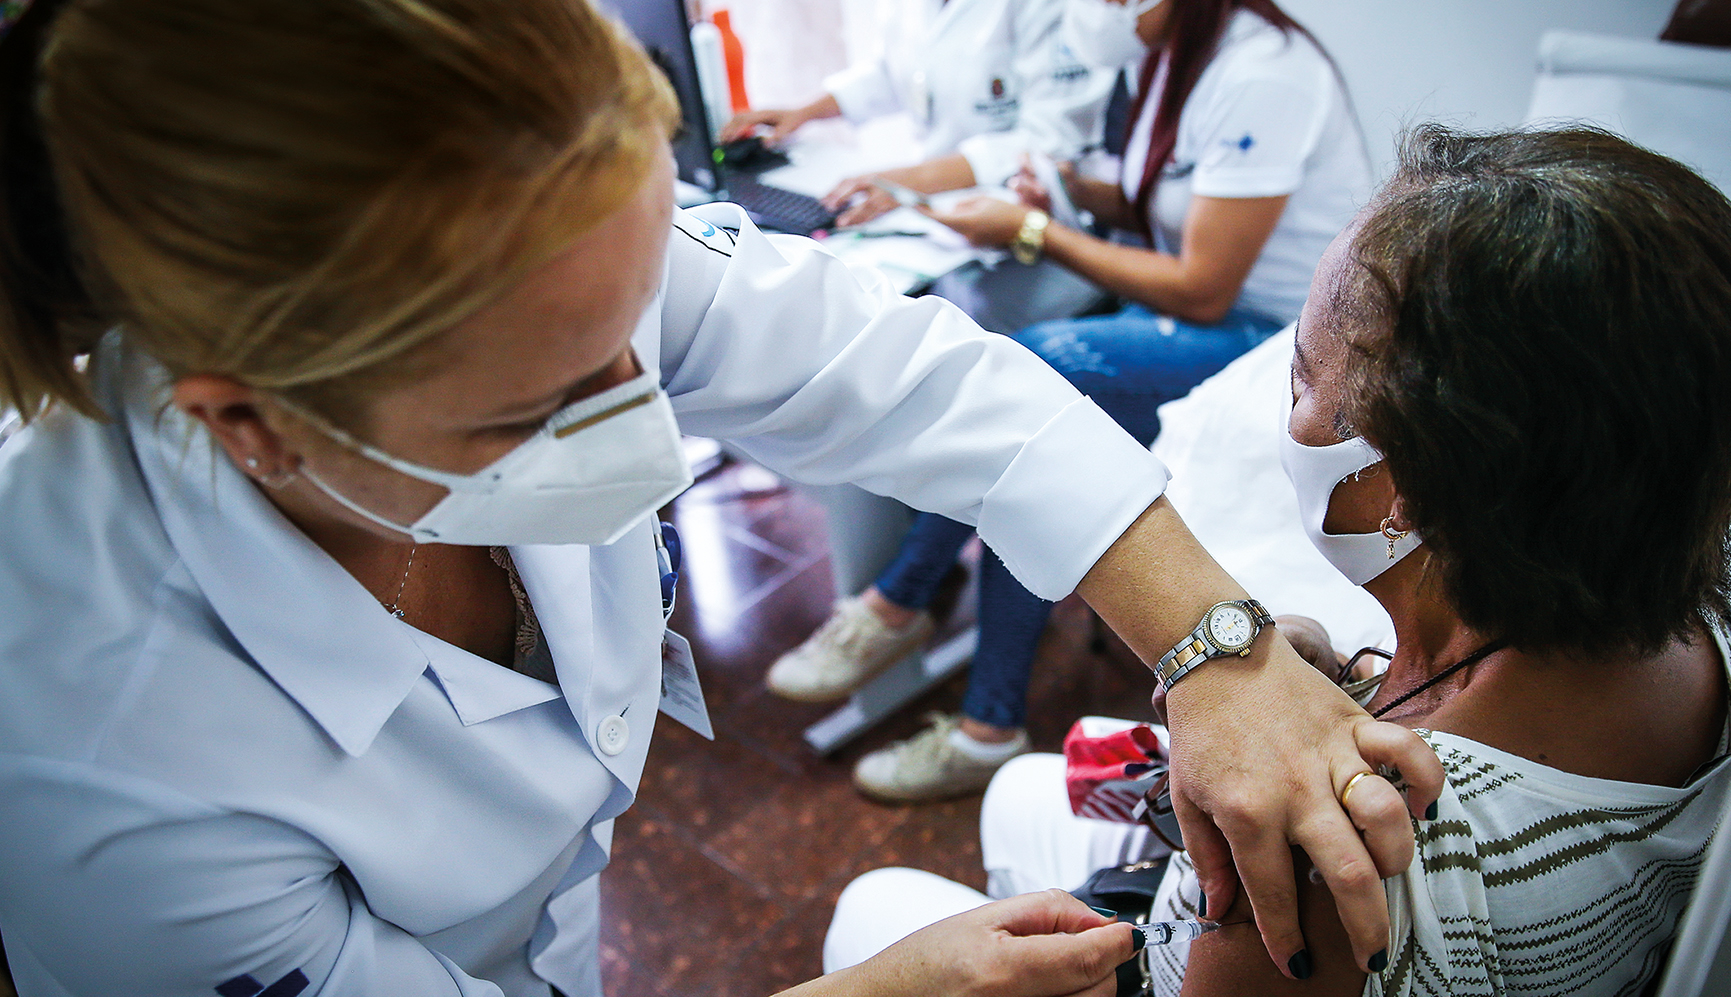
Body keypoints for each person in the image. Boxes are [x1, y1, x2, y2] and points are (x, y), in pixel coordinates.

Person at [0, 0, 1440, 994]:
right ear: (248, 422)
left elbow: (919, 380)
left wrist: (1215, 641)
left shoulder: (535, 241)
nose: (644, 404)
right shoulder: (101, 760)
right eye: (540, 403)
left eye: (651, 320)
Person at [822, 123, 1731, 995]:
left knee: (873, 908)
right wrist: (1354, 680)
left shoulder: (1337, 858)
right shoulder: (1707, 634)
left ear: (1415, 493)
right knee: (1024, 789)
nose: (1290, 405)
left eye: (1303, 374)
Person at [767, 0, 1369, 804]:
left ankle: (903, 607)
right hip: (1207, 314)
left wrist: (1033, 233)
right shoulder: (1175, 57)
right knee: (1046, 440)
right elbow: (1155, 199)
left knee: (1036, 377)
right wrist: (1065, 192)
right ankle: (979, 711)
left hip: (1275, 339)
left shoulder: (1266, 74)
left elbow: (1203, 284)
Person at [718, 0, 1114, 227]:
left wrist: (910, 181)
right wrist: (803, 112)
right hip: (940, 210)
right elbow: (901, 70)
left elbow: (1051, 140)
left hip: (1039, 224)